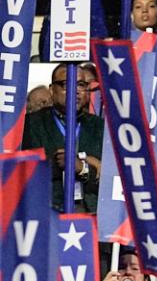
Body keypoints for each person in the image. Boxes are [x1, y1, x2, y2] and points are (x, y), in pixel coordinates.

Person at [21, 63, 104, 212]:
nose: (76, 91)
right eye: (67, 84)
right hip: (47, 212)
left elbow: (107, 176)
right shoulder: (31, 124)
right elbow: (26, 172)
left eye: (81, 84)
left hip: (90, 213)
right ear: (52, 90)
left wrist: (83, 168)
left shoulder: (100, 126)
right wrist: (61, 164)